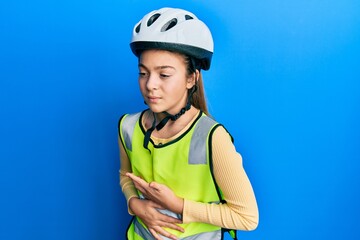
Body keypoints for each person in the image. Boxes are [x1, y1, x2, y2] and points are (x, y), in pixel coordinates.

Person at [118, 7, 259, 240]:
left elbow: (247, 217)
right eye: (143, 73)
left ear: (191, 78)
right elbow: (125, 174)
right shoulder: (127, 126)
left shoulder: (212, 137)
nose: (150, 84)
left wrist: (179, 205)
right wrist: (135, 204)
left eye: (164, 75)